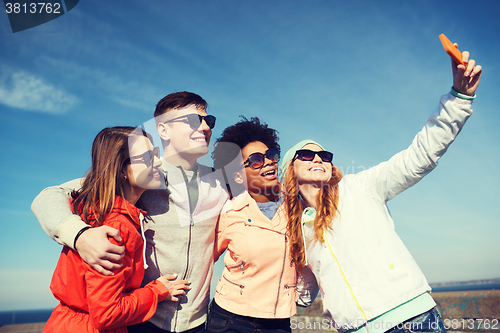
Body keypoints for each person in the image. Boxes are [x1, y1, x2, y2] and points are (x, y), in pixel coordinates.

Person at [279, 49, 482, 333]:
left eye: (324, 156)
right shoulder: (298, 229)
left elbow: (419, 156)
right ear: (290, 171)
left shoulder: (359, 188)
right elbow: (302, 295)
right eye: (306, 155)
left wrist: (459, 98)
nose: (318, 159)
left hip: (412, 319)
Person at [32, 92, 228, 333]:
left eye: (209, 121)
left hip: (197, 322)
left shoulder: (222, 183)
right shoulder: (144, 174)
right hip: (142, 319)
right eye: (193, 120)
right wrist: (79, 235)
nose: (206, 126)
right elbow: (49, 195)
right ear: (163, 130)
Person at [42, 126, 190, 333]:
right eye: (146, 157)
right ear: (121, 170)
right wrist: (158, 291)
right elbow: (107, 313)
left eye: (155, 154)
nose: (158, 161)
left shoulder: (95, 208)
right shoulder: (117, 227)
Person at [207, 117, 318, 333]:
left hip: (279, 322)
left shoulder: (297, 204)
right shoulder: (229, 211)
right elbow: (203, 259)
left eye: (271, 155)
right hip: (229, 320)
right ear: (238, 174)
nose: (268, 162)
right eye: (256, 160)